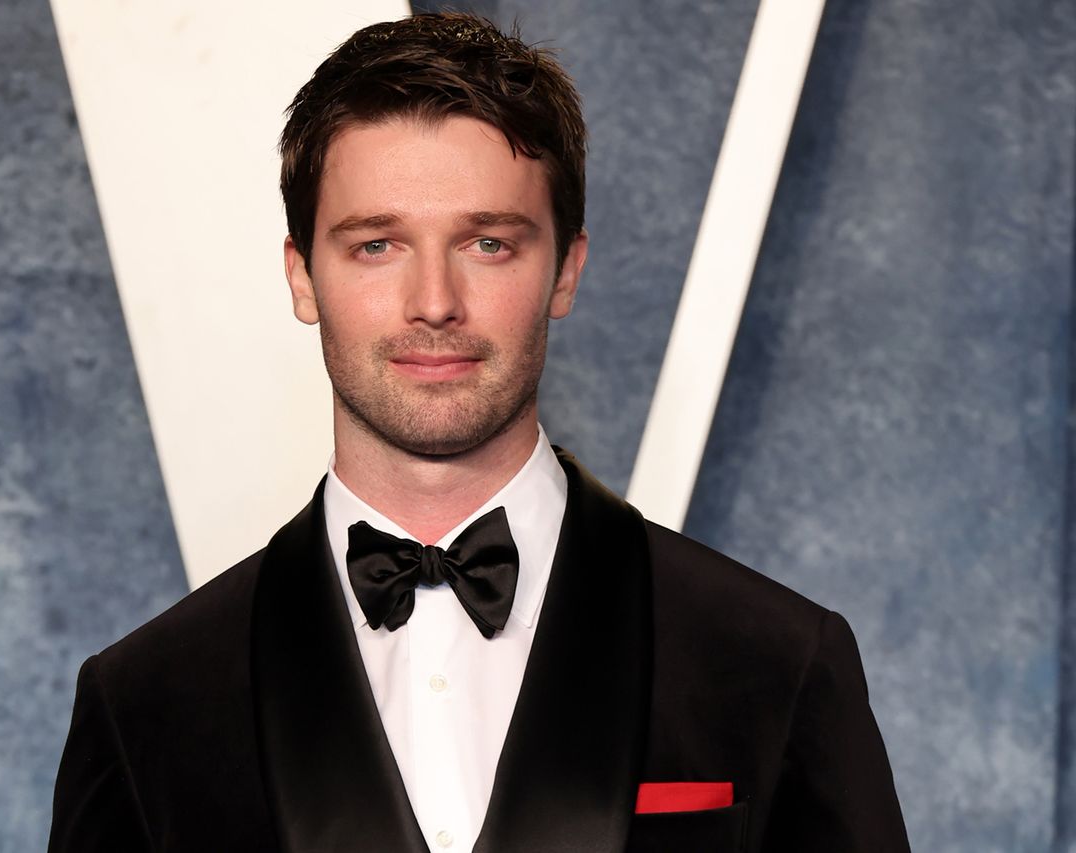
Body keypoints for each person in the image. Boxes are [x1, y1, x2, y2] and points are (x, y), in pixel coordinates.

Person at [48, 12, 910, 852]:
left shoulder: (779, 660)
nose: (434, 301)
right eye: (377, 244)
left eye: (489, 243)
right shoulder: (142, 703)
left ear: (566, 269)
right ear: (302, 277)